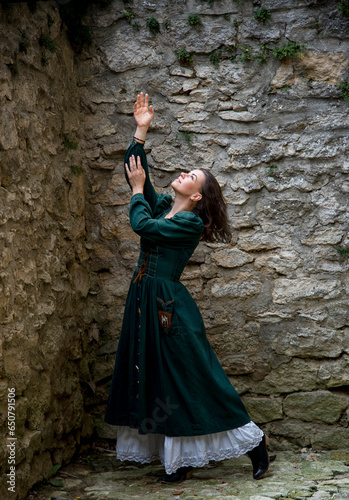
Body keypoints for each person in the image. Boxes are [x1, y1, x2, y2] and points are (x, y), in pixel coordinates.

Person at [105, 93, 269, 483]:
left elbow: (142, 225)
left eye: (189, 177)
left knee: (198, 377)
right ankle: (178, 457)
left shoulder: (189, 224)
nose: (181, 174)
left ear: (195, 196)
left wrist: (134, 192)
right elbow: (138, 178)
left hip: (169, 309)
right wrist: (141, 131)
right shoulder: (163, 205)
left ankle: (255, 444)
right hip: (144, 300)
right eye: (185, 171)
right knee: (158, 380)